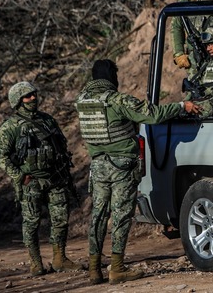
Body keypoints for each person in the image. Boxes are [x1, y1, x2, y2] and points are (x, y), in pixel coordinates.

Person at [75, 59, 200, 284]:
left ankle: (94, 269)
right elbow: (151, 114)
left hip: (98, 165)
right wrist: (182, 106)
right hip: (121, 165)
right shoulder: (116, 100)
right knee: (121, 215)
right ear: (111, 76)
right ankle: (117, 268)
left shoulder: (82, 100)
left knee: (99, 215)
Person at [0, 81, 83, 277]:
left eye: (34, 94)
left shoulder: (48, 120)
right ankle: (36, 263)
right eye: (27, 96)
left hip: (55, 179)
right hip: (31, 182)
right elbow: (1, 157)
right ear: (17, 101)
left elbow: (60, 148)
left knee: (61, 219)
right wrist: (20, 176)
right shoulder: (10, 128)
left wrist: (64, 173)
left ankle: (60, 258)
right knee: (32, 222)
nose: (33, 98)